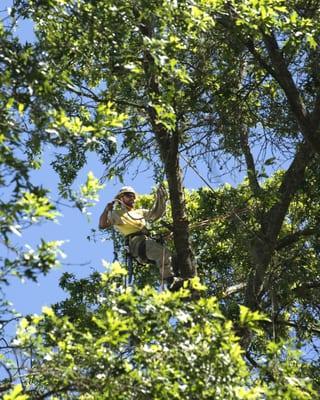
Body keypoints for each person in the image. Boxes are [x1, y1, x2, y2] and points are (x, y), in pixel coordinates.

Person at [99, 185, 179, 288]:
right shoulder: (116, 214)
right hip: (136, 243)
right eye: (129, 195)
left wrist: (161, 198)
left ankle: (178, 279)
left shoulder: (139, 212)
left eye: (133, 196)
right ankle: (170, 281)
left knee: (174, 258)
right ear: (121, 198)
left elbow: (156, 214)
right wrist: (106, 210)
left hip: (146, 240)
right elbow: (102, 225)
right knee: (164, 254)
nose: (132, 198)